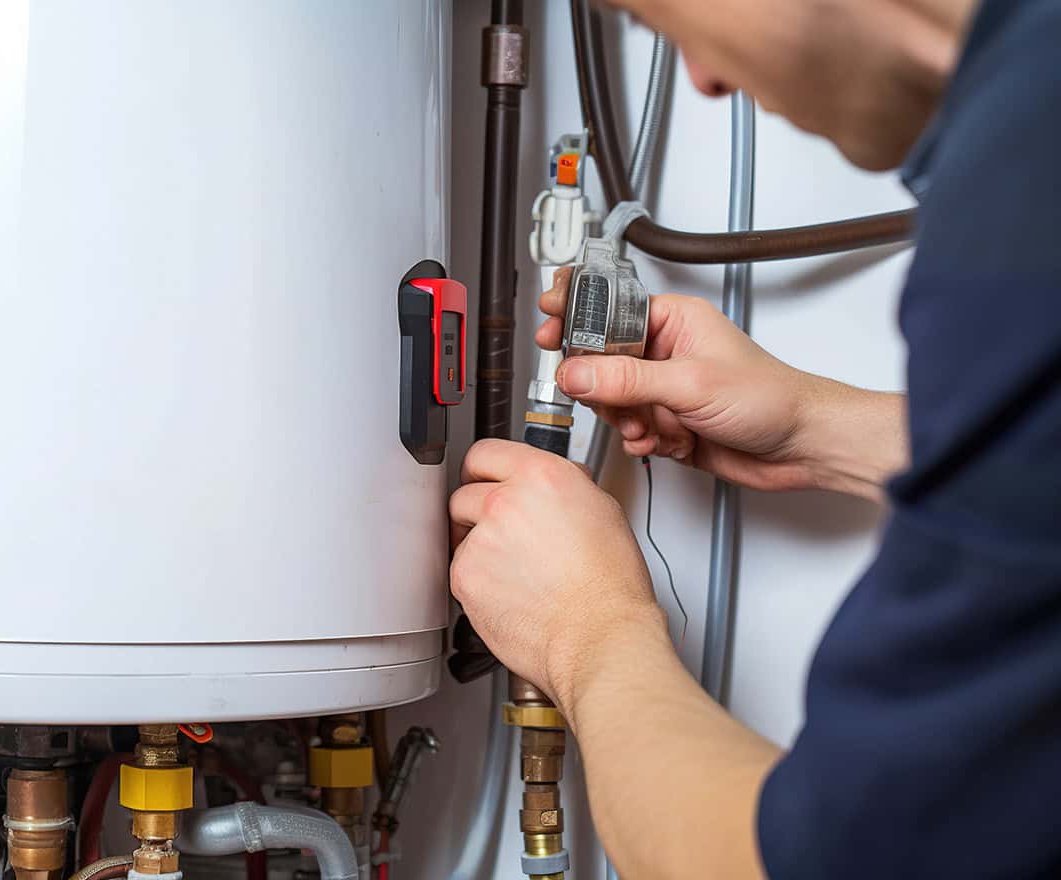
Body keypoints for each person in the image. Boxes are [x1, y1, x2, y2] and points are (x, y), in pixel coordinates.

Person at [448, 0, 1061, 876]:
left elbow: (816, 863)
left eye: (657, 16)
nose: (705, 78)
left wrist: (585, 629)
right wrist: (817, 425)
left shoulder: (1024, 199)